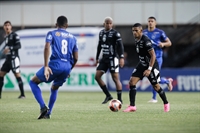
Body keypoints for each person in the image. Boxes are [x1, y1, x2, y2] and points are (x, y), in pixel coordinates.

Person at [29, 16, 78, 119]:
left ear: (56, 25)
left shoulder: (52, 33)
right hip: (67, 66)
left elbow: (47, 47)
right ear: (67, 26)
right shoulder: (73, 38)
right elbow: (76, 58)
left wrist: (46, 66)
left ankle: (43, 107)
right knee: (54, 88)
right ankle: (48, 114)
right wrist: (69, 69)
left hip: (55, 64)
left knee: (33, 82)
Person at [123, 23, 170, 112]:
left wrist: (149, 69)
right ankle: (132, 106)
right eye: (133, 31)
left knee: (156, 86)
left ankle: (166, 103)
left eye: (136, 30)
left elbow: (153, 56)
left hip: (151, 65)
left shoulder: (145, 41)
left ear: (141, 31)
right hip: (142, 64)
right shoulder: (137, 40)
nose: (134, 32)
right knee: (132, 82)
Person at [143, 16, 173, 103]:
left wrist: (163, 44)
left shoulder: (160, 32)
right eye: (149, 21)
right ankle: (167, 81)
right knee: (153, 77)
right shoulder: (144, 33)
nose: (150, 23)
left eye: (152, 21)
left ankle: (154, 98)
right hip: (147, 58)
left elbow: (169, 43)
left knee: (154, 77)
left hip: (157, 57)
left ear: (155, 23)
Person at [95, 17, 124, 104]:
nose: (108, 25)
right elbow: (99, 45)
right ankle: (108, 95)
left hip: (113, 58)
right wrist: (97, 57)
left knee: (115, 79)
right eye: (107, 23)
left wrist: (121, 57)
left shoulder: (115, 33)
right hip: (104, 58)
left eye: (110, 23)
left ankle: (119, 99)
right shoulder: (101, 33)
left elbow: (120, 46)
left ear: (112, 24)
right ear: (104, 23)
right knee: (97, 77)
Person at [0, 21, 25, 99]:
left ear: (11, 27)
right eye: (5, 25)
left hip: (14, 59)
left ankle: (22, 94)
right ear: (4, 27)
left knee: (17, 75)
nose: (7, 27)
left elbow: (19, 45)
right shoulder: (6, 36)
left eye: (8, 25)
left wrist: (10, 48)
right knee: (1, 74)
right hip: (8, 59)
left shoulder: (14, 35)